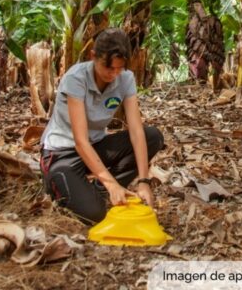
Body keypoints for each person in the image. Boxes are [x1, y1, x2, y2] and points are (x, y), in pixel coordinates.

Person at [39, 28, 164, 223]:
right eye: (108, 67)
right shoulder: (76, 78)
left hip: (95, 147)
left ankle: (98, 188)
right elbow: (80, 141)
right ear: (93, 56)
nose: (113, 74)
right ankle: (76, 186)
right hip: (63, 154)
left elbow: (136, 132)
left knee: (153, 137)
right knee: (94, 214)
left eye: (119, 68)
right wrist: (111, 183)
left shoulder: (126, 78)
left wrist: (143, 181)